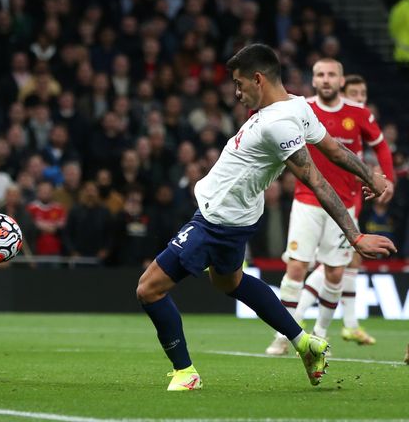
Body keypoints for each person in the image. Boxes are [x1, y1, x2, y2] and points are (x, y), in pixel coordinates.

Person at [135, 44, 395, 391]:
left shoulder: (279, 124)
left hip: (216, 222)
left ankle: (185, 372)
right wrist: (371, 176)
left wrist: (355, 236)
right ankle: (305, 342)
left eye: (240, 84)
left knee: (148, 290)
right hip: (235, 217)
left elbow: (316, 179)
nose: (238, 93)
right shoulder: (297, 105)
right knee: (229, 283)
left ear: (258, 79)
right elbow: (334, 148)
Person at [266, 65, 394, 355]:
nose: (326, 80)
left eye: (331, 75)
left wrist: (389, 179)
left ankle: (321, 335)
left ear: (340, 80)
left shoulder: (358, 112)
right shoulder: (302, 107)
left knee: (335, 273)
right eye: (320, 75)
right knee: (296, 267)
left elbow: (382, 146)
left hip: (344, 204)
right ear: (313, 79)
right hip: (307, 201)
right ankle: (284, 336)